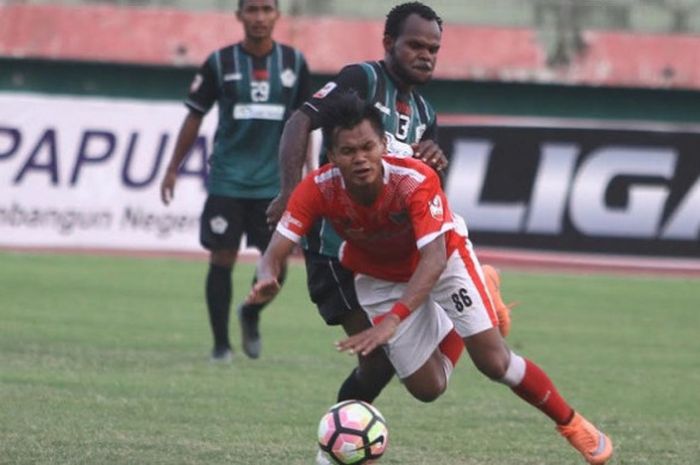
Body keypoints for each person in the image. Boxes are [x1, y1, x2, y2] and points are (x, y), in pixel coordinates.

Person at [248, 93, 613, 465]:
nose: (359, 158)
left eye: (368, 147)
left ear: (382, 146)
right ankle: (474, 301)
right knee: (428, 388)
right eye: (347, 151)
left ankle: (574, 425)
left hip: (443, 259)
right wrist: (266, 277)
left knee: (494, 362)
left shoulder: (413, 180)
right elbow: (276, 249)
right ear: (332, 157)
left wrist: (393, 321)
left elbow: (434, 259)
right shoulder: (319, 187)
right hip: (378, 277)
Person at [263, 1, 513, 404]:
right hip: (332, 248)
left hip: (381, 251)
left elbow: (425, 192)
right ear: (388, 43)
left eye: (432, 49)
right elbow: (300, 120)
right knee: (377, 361)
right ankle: (336, 443)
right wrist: (290, 192)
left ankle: (336, 444)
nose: (425, 55)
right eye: (415, 45)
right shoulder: (362, 79)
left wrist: (436, 162)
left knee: (382, 364)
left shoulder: (425, 113)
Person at [159, 0, 311, 362]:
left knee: (277, 263)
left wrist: (305, 172)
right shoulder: (219, 62)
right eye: (252, 10)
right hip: (227, 180)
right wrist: (172, 167)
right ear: (239, 15)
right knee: (221, 257)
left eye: (266, 9)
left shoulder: (294, 63)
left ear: (277, 15)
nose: (259, 17)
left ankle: (251, 313)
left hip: (273, 185)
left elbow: (306, 121)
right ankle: (221, 346)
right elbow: (194, 116)